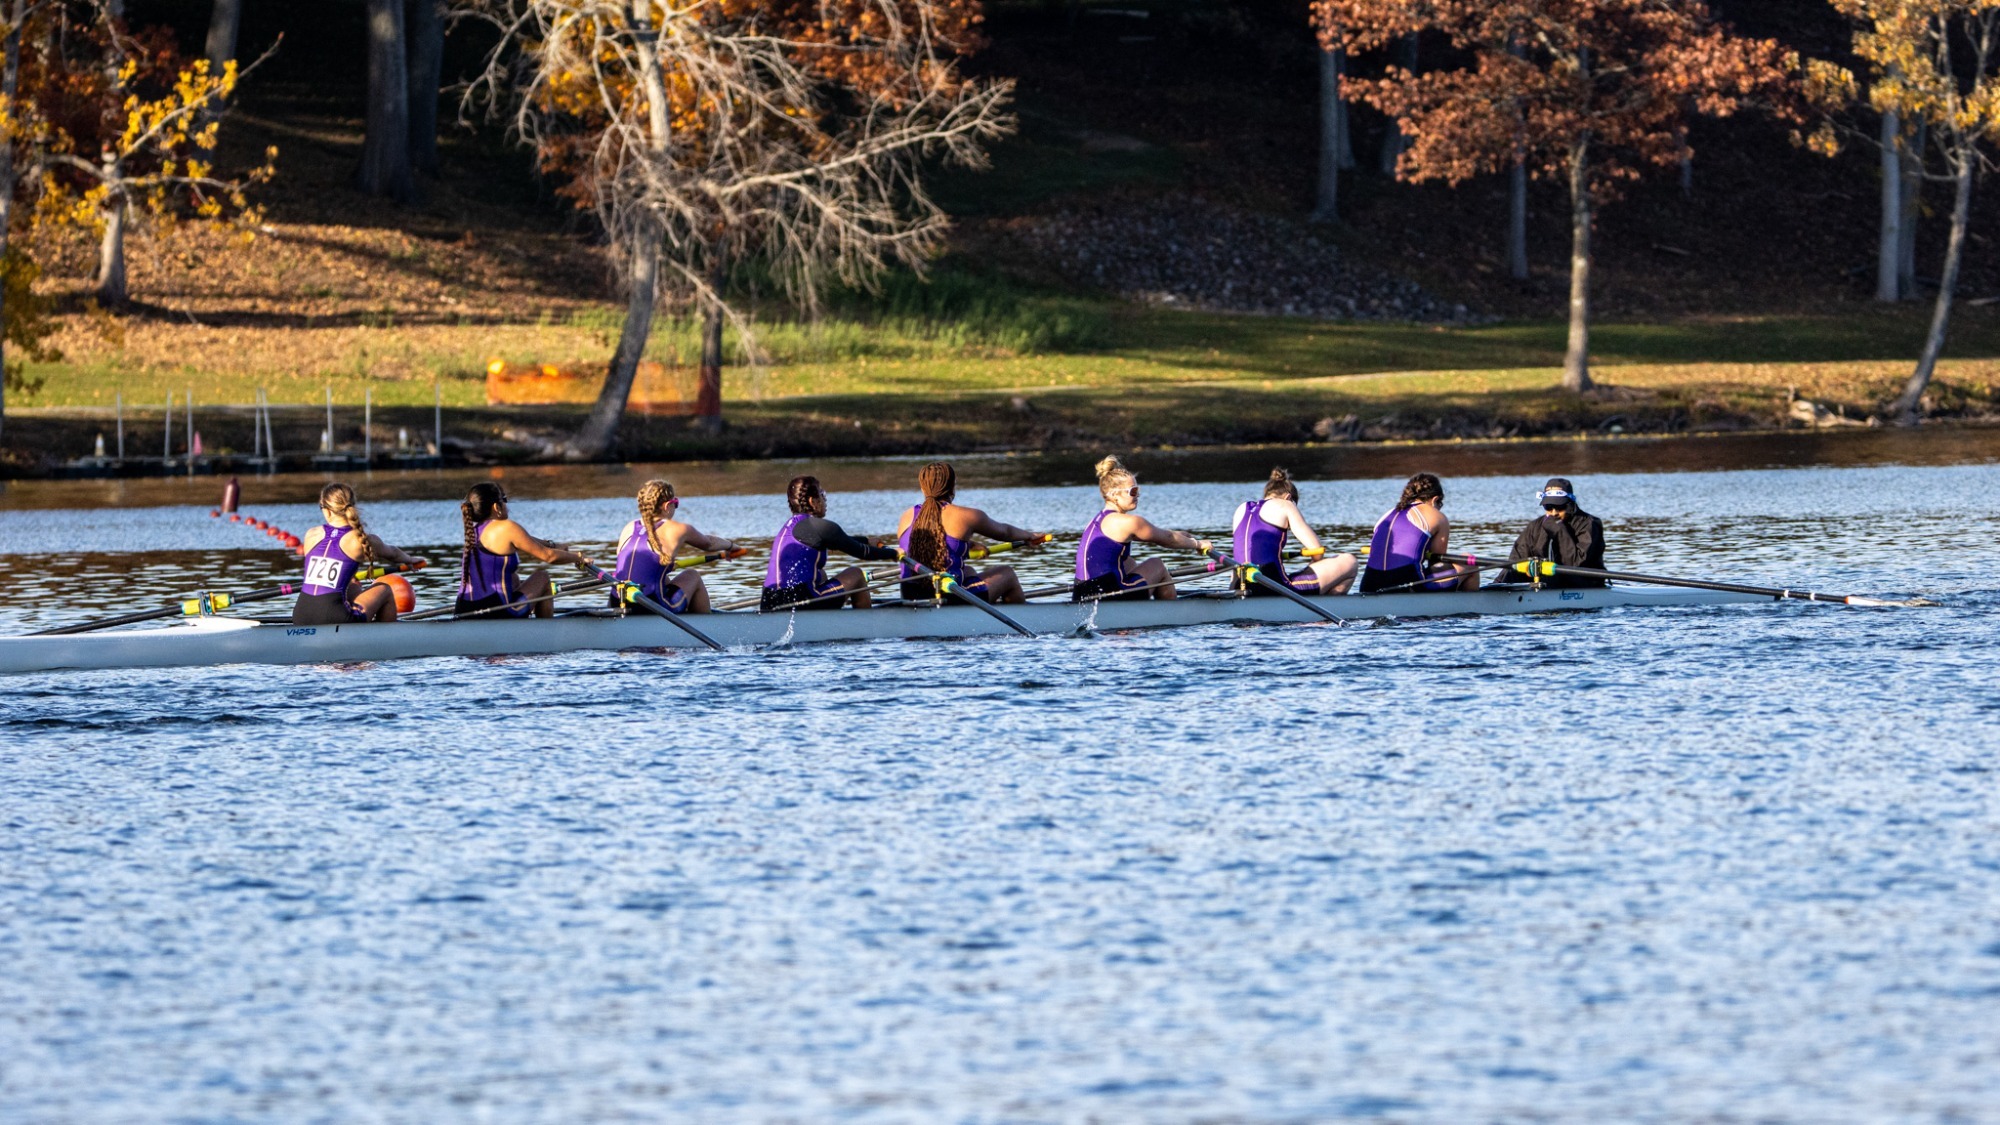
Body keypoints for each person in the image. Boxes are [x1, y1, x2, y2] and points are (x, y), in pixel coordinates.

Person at [895, 461, 1043, 604]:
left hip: (909, 593)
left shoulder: (906, 516)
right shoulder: (966, 516)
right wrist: (1030, 536)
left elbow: (931, 542)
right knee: (1007, 574)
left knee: (969, 571)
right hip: (946, 595)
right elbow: (1005, 532)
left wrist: (970, 544)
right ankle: (1019, 616)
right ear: (952, 487)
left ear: (923, 489)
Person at [1072, 456, 1211, 601]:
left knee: (1128, 562)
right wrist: (1198, 544)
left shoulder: (1096, 521)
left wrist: (1179, 534)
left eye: (1138, 490)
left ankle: (1152, 602)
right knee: (1157, 565)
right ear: (1114, 494)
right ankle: (1172, 614)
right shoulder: (1129, 522)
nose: (1137, 495)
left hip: (1081, 594)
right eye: (1133, 491)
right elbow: (1167, 540)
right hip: (1108, 594)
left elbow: (1160, 534)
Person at [455, 481, 596, 619]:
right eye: (504, 500)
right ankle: (546, 634)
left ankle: (526, 627)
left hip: (463, 609)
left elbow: (529, 540)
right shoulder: (506, 527)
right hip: (496, 611)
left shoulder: (474, 532)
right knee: (542, 578)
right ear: (496, 507)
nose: (507, 506)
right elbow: (549, 557)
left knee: (514, 579)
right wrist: (579, 557)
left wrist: (554, 545)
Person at [762, 476, 900, 611]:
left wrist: (867, 541)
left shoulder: (788, 528)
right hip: (800, 600)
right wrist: (894, 553)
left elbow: (843, 541)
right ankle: (867, 625)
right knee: (856, 574)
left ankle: (831, 620)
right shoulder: (821, 527)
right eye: (822, 494)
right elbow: (863, 552)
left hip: (769, 601)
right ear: (812, 501)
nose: (825, 499)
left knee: (820, 575)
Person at [293, 482, 421, 625]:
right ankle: (384, 640)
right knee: (384, 589)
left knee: (353, 587)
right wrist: (411, 560)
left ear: (327, 510)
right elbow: (393, 554)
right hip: (333, 616)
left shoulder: (311, 534)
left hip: (300, 615)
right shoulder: (361, 539)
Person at [612, 480, 736, 614]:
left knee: (664, 579)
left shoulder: (629, 528)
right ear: (667, 506)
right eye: (675, 504)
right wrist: (732, 546)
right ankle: (707, 624)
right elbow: (710, 543)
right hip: (651, 606)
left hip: (616, 603)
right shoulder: (678, 529)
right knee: (692, 575)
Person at [1229, 467, 1358, 596]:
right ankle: (1328, 608)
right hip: (1273, 587)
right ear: (1288, 497)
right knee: (1349, 562)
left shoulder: (1241, 509)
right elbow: (1317, 549)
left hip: (1237, 585)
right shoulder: (1285, 505)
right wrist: (1312, 569)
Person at [1360, 472, 1478, 593]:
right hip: (1408, 587)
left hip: (1369, 585)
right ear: (1435, 499)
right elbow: (1436, 564)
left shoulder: (1386, 515)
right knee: (1469, 561)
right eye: (1440, 504)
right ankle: (1468, 606)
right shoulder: (1437, 516)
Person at [1494, 477, 1607, 588]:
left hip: (1583, 581)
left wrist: (1559, 530)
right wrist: (1497, 584)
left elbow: (1576, 564)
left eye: (1559, 507)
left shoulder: (1589, 524)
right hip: (1547, 579)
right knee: (1512, 571)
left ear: (1570, 504)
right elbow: (1515, 561)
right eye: (1548, 507)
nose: (1554, 513)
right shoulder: (1535, 527)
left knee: (1552, 575)